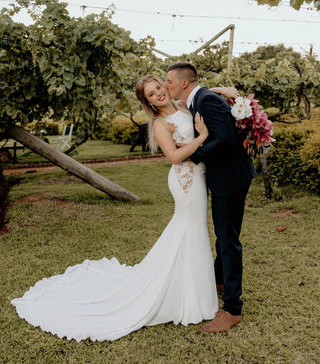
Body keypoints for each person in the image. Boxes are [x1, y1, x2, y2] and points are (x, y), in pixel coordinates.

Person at [11, 74, 234, 342]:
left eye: (158, 88)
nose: (158, 94)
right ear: (148, 103)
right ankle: (188, 296)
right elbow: (173, 157)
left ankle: (194, 290)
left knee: (195, 230)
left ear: (166, 86)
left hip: (199, 177)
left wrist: (223, 91)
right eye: (151, 94)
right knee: (190, 228)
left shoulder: (185, 107)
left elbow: (198, 93)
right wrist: (204, 137)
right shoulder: (160, 124)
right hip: (185, 182)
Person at [166, 62, 257, 333]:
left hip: (229, 179)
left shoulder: (205, 100)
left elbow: (227, 138)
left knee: (228, 240)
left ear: (184, 83)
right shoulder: (198, 99)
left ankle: (232, 309)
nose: (166, 84)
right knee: (225, 235)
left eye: (169, 80)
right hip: (227, 177)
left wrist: (195, 154)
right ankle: (220, 282)